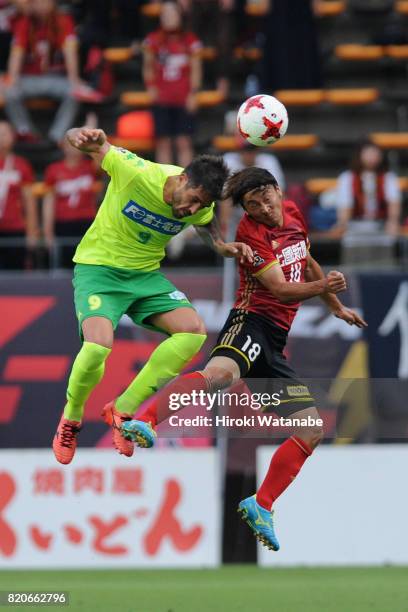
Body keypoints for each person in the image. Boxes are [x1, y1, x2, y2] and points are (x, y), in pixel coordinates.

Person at [122, 167, 366, 551]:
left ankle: (261, 504)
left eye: (265, 198)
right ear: (246, 212)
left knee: (311, 429)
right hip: (250, 322)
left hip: (275, 342)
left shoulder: (292, 212)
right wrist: (325, 287)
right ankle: (146, 421)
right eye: (253, 205)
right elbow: (282, 290)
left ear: (276, 190)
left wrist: (335, 305)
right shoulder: (251, 233)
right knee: (219, 375)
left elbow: (305, 259)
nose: (264, 208)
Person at [52, 125, 253, 465]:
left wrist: (220, 245)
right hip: (99, 270)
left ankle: (123, 410)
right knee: (98, 346)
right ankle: (70, 419)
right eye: (193, 200)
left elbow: (205, 223)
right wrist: (81, 135)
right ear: (184, 179)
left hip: (145, 277)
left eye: (201, 205)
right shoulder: (136, 173)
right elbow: (86, 143)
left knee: (192, 332)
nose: (192, 210)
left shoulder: (200, 206)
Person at [4, 0, 82, 142]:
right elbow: (16, 54)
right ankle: (25, 131)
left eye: (45, 1)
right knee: (9, 91)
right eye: (36, 2)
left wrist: (74, 79)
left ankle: (57, 136)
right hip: (30, 79)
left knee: (76, 92)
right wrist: (12, 79)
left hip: (57, 78)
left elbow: (70, 52)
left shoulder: (63, 20)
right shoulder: (24, 22)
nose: (41, 5)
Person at [143, 1, 202, 167]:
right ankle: (167, 183)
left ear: (180, 16)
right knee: (163, 142)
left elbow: (196, 69)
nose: (169, 17)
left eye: (172, 13)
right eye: (165, 14)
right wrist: (151, 87)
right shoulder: (153, 40)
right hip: (162, 99)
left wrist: (193, 93)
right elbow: (148, 67)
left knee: (184, 141)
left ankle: (186, 182)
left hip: (183, 98)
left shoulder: (190, 41)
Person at [42, 137, 99, 268]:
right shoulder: (54, 169)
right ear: (62, 145)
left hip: (87, 222)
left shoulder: (90, 167)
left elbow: (101, 159)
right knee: (63, 265)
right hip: (63, 223)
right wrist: (47, 232)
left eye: (76, 143)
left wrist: (91, 137)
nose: (73, 147)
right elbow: (49, 202)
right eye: (69, 143)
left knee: (87, 264)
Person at [332, 141, 401, 238]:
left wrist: (393, 221)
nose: (372, 157)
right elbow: (345, 207)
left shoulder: (388, 177)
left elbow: (394, 203)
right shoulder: (347, 178)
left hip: (381, 224)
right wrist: (343, 224)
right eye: (369, 154)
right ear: (360, 155)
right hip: (354, 224)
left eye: (375, 154)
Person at [0, 120, 38, 269]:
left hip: (15, 230)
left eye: (4, 133)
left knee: (14, 275)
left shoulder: (22, 165)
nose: (1, 137)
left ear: (13, 137)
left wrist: (32, 232)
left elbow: (29, 201)